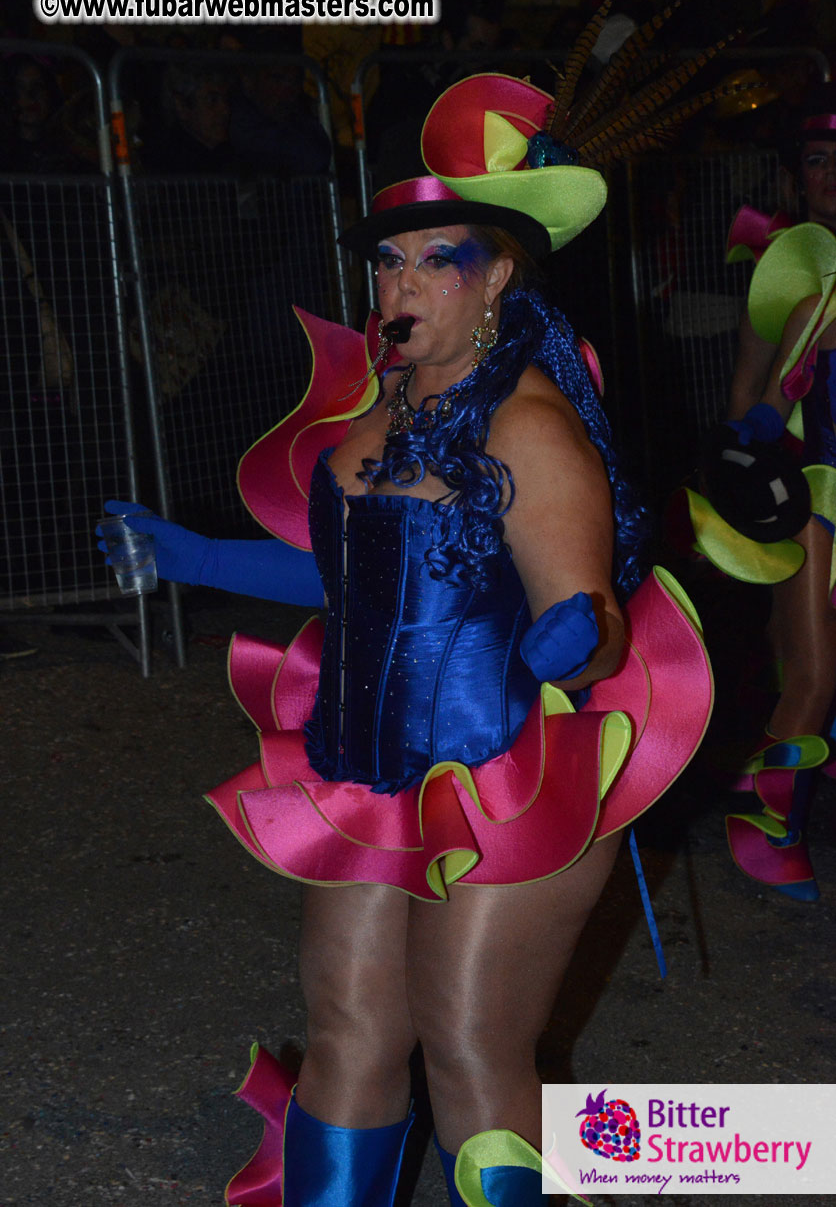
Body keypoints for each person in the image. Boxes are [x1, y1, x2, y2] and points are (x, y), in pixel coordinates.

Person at [99, 73, 712, 1205]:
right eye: (388, 261)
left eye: (438, 259)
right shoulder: (376, 413)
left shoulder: (528, 422)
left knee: (471, 1052)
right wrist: (193, 555)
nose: (401, 283)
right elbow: (347, 579)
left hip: (515, 776)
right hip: (372, 771)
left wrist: (566, 636)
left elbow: (586, 628)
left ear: (498, 280)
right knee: (344, 1027)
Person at [692, 93, 836, 901]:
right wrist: (741, 475)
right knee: (810, 673)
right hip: (815, 496)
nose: (833, 177)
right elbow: (751, 398)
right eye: (817, 161)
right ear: (795, 178)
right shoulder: (791, 281)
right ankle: (765, 824)